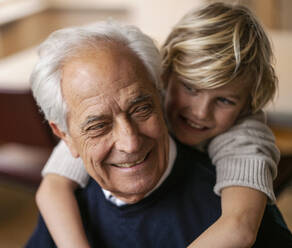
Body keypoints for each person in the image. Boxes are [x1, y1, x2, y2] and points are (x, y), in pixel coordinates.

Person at [34, 3, 286, 248]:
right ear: (165, 77)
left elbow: (239, 227)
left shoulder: (243, 138)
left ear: (246, 106)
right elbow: (54, 184)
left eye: (224, 100)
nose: (199, 112)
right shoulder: (81, 180)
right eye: (190, 88)